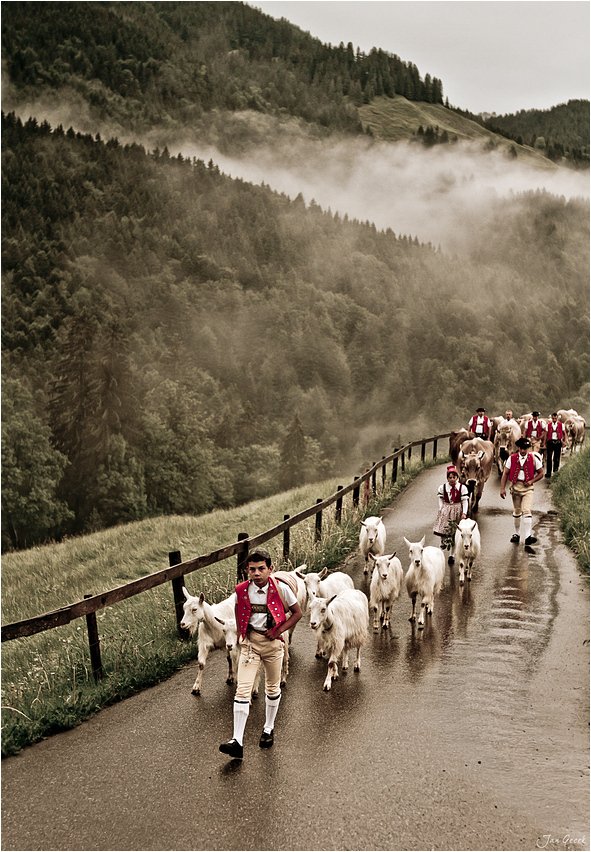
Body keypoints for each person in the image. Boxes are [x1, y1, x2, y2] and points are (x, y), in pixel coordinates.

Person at [219, 546, 302, 760]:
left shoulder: (282, 589)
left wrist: (279, 631)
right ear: (247, 570)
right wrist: (241, 634)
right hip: (251, 643)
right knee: (242, 689)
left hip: (273, 643)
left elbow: (297, 612)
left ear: (270, 569)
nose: (257, 573)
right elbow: (238, 610)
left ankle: (268, 728)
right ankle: (237, 740)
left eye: (261, 569)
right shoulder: (241, 590)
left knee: (272, 687)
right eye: (252, 569)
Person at [500, 436, 544, 547]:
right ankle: (517, 533)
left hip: (528, 488)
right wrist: (502, 488)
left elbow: (541, 473)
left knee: (527, 510)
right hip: (515, 487)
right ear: (518, 448)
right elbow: (505, 473)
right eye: (521, 448)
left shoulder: (533, 459)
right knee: (517, 511)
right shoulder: (512, 458)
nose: (523, 451)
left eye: (525, 448)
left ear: (528, 448)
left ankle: (528, 536)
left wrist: (531, 481)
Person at [433, 465, 469, 562]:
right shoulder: (443, 487)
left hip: (457, 510)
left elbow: (465, 501)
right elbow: (440, 499)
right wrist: (441, 508)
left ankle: (452, 555)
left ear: (457, 477)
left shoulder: (462, 488)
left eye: (454, 477)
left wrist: (464, 512)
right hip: (446, 511)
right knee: (444, 532)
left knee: (454, 533)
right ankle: (440, 552)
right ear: (447, 478)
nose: (452, 479)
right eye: (450, 477)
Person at [545, 412, 565, 478]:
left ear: (557, 418)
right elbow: (546, 434)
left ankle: (555, 472)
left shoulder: (561, 425)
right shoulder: (548, 425)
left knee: (557, 458)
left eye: (555, 418)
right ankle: (548, 473)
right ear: (551, 418)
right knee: (549, 458)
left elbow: (564, 434)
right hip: (550, 442)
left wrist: (564, 441)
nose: (554, 419)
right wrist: (545, 443)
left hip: (558, 442)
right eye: (553, 418)